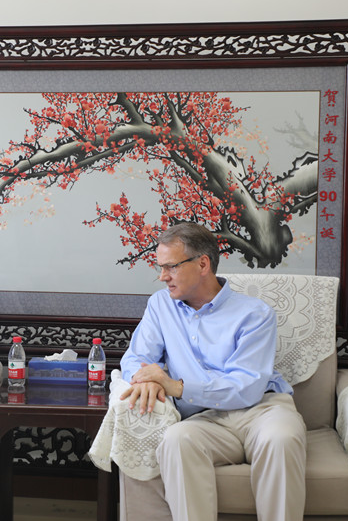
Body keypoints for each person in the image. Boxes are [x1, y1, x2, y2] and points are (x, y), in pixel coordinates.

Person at [119, 222, 306, 521]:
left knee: (280, 440)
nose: (162, 276)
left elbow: (247, 387)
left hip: (262, 411)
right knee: (177, 440)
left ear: (202, 264)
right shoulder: (160, 305)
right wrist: (145, 380)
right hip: (205, 419)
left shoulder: (255, 314)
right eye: (160, 267)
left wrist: (176, 386)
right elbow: (136, 358)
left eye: (170, 267)